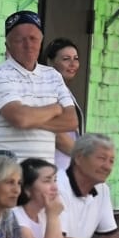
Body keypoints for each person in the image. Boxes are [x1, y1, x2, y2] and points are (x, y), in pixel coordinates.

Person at [0, 10, 78, 165]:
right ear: (7, 46)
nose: (28, 45)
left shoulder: (53, 75)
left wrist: (31, 119)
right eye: (19, 40)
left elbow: (71, 121)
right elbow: (20, 118)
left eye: (33, 38)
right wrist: (55, 109)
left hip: (44, 175)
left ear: (41, 42)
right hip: (7, 173)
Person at [43, 37, 85, 170]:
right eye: (66, 59)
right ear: (50, 62)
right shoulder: (48, 91)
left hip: (66, 166)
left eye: (76, 59)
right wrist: (83, 158)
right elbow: (57, 136)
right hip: (55, 167)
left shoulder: (64, 91)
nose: (73, 64)